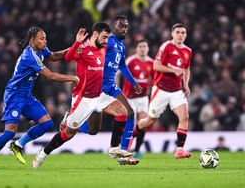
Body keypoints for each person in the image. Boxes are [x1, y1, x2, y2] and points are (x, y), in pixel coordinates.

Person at [32, 21, 138, 168]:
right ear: (95, 34)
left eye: (108, 38)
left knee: (122, 113)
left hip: (100, 94)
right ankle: (43, 153)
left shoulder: (105, 47)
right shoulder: (83, 48)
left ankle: (114, 149)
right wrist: (77, 43)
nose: (106, 41)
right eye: (104, 37)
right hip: (84, 98)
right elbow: (68, 57)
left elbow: (116, 51)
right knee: (68, 134)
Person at [0, 26, 79, 170]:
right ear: (32, 40)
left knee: (47, 123)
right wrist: (72, 78)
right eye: (42, 38)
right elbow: (50, 75)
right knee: (10, 131)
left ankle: (18, 144)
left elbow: (54, 56)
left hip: (26, 96)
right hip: (14, 95)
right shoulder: (29, 56)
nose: (45, 41)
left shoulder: (40, 50)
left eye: (45, 38)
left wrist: (73, 47)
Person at [138, 23, 193, 159]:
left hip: (177, 91)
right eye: (178, 32)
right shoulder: (166, 46)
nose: (180, 35)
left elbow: (186, 69)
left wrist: (185, 84)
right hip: (161, 89)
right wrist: (173, 71)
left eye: (183, 33)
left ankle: (179, 149)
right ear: (172, 34)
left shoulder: (188, 51)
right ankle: (135, 130)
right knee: (149, 121)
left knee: (184, 116)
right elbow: (156, 65)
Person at [114, 39, 154, 158]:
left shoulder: (151, 63)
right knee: (132, 124)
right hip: (129, 98)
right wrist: (116, 90)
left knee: (144, 124)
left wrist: (150, 93)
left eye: (144, 46)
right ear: (137, 49)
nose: (142, 49)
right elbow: (117, 73)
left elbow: (154, 80)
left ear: (148, 48)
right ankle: (126, 148)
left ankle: (137, 149)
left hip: (143, 98)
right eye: (140, 46)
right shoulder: (131, 61)